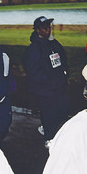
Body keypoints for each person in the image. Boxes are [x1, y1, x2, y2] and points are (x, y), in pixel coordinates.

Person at [23, 16, 69, 149]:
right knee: (49, 115)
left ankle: (51, 132)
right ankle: (49, 139)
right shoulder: (35, 48)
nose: (48, 30)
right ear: (38, 30)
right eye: (44, 27)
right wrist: (49, 83)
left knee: (61, 112)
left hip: (58, 87)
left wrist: (64, 76)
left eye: (49, 27)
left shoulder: (54, 43)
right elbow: (32, 70)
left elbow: (63, 60)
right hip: (45, 90)